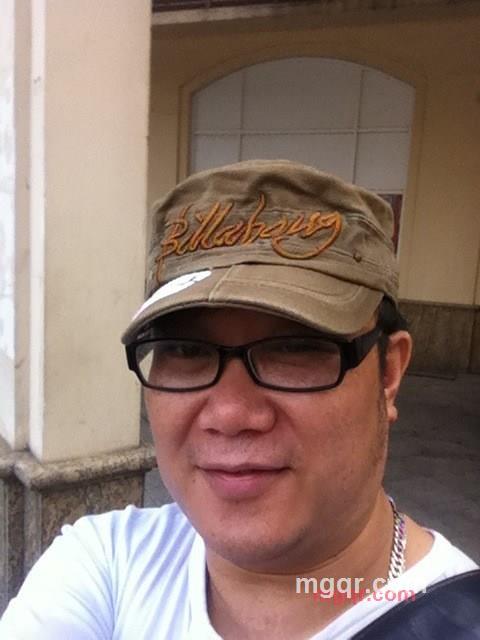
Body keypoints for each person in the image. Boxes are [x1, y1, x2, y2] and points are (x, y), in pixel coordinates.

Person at [1, 159, 478, 639]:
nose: (229, 413)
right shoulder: (107, 565)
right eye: (185, 350)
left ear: (388, 373)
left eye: (295, 348)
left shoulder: (458, 620)